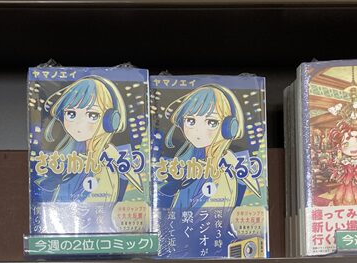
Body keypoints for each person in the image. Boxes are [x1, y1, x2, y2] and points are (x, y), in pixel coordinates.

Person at [36, 76, 143, 231]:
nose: (79, 124)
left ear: (111, 119)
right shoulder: (65, 159)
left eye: (92, 115)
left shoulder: (116, 157)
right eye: (71, 114)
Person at [158, 84, 260, 213]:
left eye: (212, 122)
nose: (197, 131)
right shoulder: (192, 157)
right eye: (190, 121)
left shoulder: (227, 164)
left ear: (229, 127)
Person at [327, 122, 357, 206]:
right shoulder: (345, 161)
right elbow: (340, 171)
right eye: (346, 144)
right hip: (348, 182)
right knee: (348, 197)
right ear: (340, 147)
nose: (353, 148)